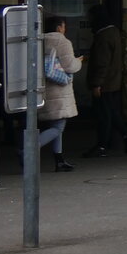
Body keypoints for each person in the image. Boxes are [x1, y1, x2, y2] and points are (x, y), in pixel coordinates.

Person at [82, 4, 127, 158]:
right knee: (110, 112)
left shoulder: (103, 36)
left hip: (104, 83)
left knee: (104, 115)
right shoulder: (114, 32)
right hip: (113, 80)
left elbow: (101, 62)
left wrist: (97, 83)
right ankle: (123, 138)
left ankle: (105, 144)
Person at [39, 14, 82, 172]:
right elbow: (70, 66)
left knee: (56, 125)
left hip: (44, 89)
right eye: (64, 26)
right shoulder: (62, 41)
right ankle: (27, 149)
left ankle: (59, 159)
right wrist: (79, 61)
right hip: (59, 90)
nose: (65, 29)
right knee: (58, 127)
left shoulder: (40, 40)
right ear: (59, 27)